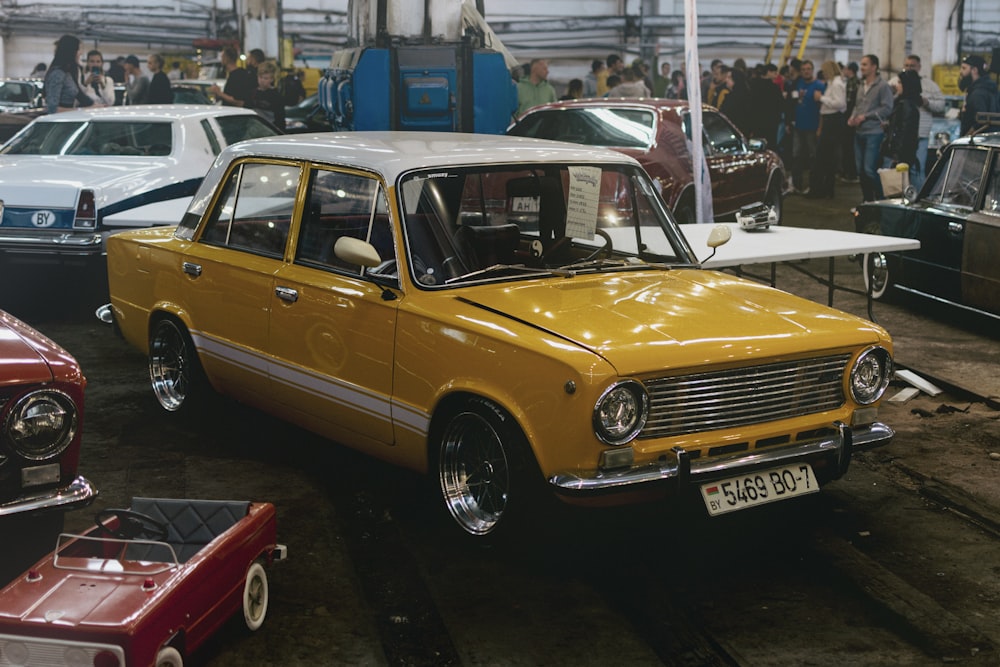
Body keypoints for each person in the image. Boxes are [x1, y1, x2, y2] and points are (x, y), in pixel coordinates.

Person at [848, 54, 894, 202]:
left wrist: (866, 116)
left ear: (874, 67)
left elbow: (887, 108)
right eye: (861, 65)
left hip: (874, 133)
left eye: (865, 65)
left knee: (869, 170)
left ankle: (880, 200)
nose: (861, 68)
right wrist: (853, 116)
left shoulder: (882, 86)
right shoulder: (861, 85)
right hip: (859, 133)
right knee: (860, 170)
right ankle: (866, 200)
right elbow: (857, 106)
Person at [808, 60, 846, 199]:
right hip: (832, 122)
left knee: (823, 157)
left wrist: (821, 98)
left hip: (833, 122)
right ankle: (826, 189)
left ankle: (819, 189)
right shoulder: (834, 83)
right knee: (828, 158)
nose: (823, 73)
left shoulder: (836, 84)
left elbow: (840, 104)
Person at [881, 69, 922, 177]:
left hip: (899, 155)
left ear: (907, 85)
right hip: (900, 154)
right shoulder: (904, 103)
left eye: (899, 82)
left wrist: (897, 157)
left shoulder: (906, 106)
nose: (896, 85)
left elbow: (905, 133)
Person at [791, 60, 824, 194]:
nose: (806, 71)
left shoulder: (819, 85)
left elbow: (823, 108)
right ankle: (796, 184)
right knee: (796, 155)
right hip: (798, 126)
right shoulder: (798, 84)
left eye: (809, 69)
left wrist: (820, 127)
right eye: (804, 69)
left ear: (813, 70)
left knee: (813, 156)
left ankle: (814, 186)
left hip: (812, 126)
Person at [958, 54, 999, 136]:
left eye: (964, 68)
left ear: (974, 70)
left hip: (978, 141)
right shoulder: (989, 88)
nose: (961, 72)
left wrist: (966, 138)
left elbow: (980, 121)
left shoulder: (978, 94)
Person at [44, 35, 85, 113]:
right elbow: (52, 109)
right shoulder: (57, 74)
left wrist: (95, 106)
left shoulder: (68, 73)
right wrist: (81, 111)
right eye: (78, 50)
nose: (81, 53)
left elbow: (81, 95)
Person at [747, 63, 782, 148]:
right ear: (768, 72)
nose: (776, 75)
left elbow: (750, 104)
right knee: (770, 146)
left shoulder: (753, 85)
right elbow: (780, 105)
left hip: (756, 122)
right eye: (774, 72)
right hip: (771, 123)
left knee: (756, 146)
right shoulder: (775, 88)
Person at [247, 60, 285, 131]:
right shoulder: (252, 93)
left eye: (266, 78)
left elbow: (280, 118)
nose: (262, 81)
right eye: (260, 77)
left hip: (269, 129)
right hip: (254, 128)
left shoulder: (275, 95)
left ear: (272, 79)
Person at [840, 62, 860, 182]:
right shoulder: (855, 82)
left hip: (850, 118)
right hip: (851, 117)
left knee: (849, 146)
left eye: (846, 69)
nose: (844, 71)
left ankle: (851, 173)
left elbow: (850, 102)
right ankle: (850, 172)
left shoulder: (852, 83)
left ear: (850, 70)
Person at [720, 67, 752, 136]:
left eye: (729, 78)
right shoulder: (744, 94)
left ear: (736, 79)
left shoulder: (736, 97)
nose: (726, 80)